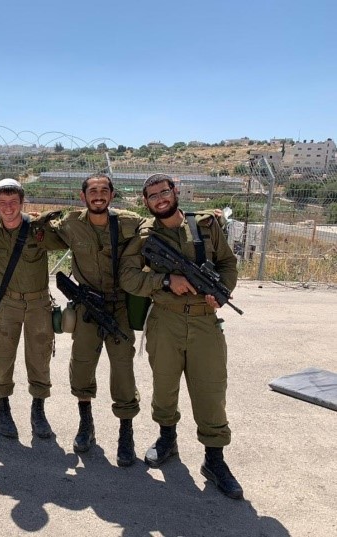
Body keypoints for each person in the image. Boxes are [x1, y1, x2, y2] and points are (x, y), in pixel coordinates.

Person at [121, 173, 243, 499]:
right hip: (165, 321)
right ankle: (166, 439)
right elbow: (129, 277)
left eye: (164, 192)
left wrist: (222, 291)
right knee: (164, 386)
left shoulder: (205, 225)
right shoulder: (145, 235)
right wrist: (164, 281)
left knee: (211, 390)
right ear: (145, 202)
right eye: (152, 196)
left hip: (205, 322)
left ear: (175, 192)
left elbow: (229, 263)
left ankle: (214, 460)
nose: (160, 199)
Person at [48, 174, 143, 466]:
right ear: (83, 196)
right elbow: (41, 230)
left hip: (119, 308)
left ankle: (125, 433)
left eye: (104, 190)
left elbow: (158, 227)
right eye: (93, 191)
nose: (98, 195)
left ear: (112, 195)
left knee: (123, 370)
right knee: (82, 365)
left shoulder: (130, 223)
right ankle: (85, 423)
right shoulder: (71, 224)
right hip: (86, 306)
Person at [0, 178, 65, 439]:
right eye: (2, 203)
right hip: (7, 303)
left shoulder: (37, 230)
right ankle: (2, 408)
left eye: (14, 202)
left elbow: (67, 239)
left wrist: (51, 221)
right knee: (2, 358)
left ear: (23, 203)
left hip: (38, 304)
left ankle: (38, 410)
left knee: (39, 358)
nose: (8, 208)